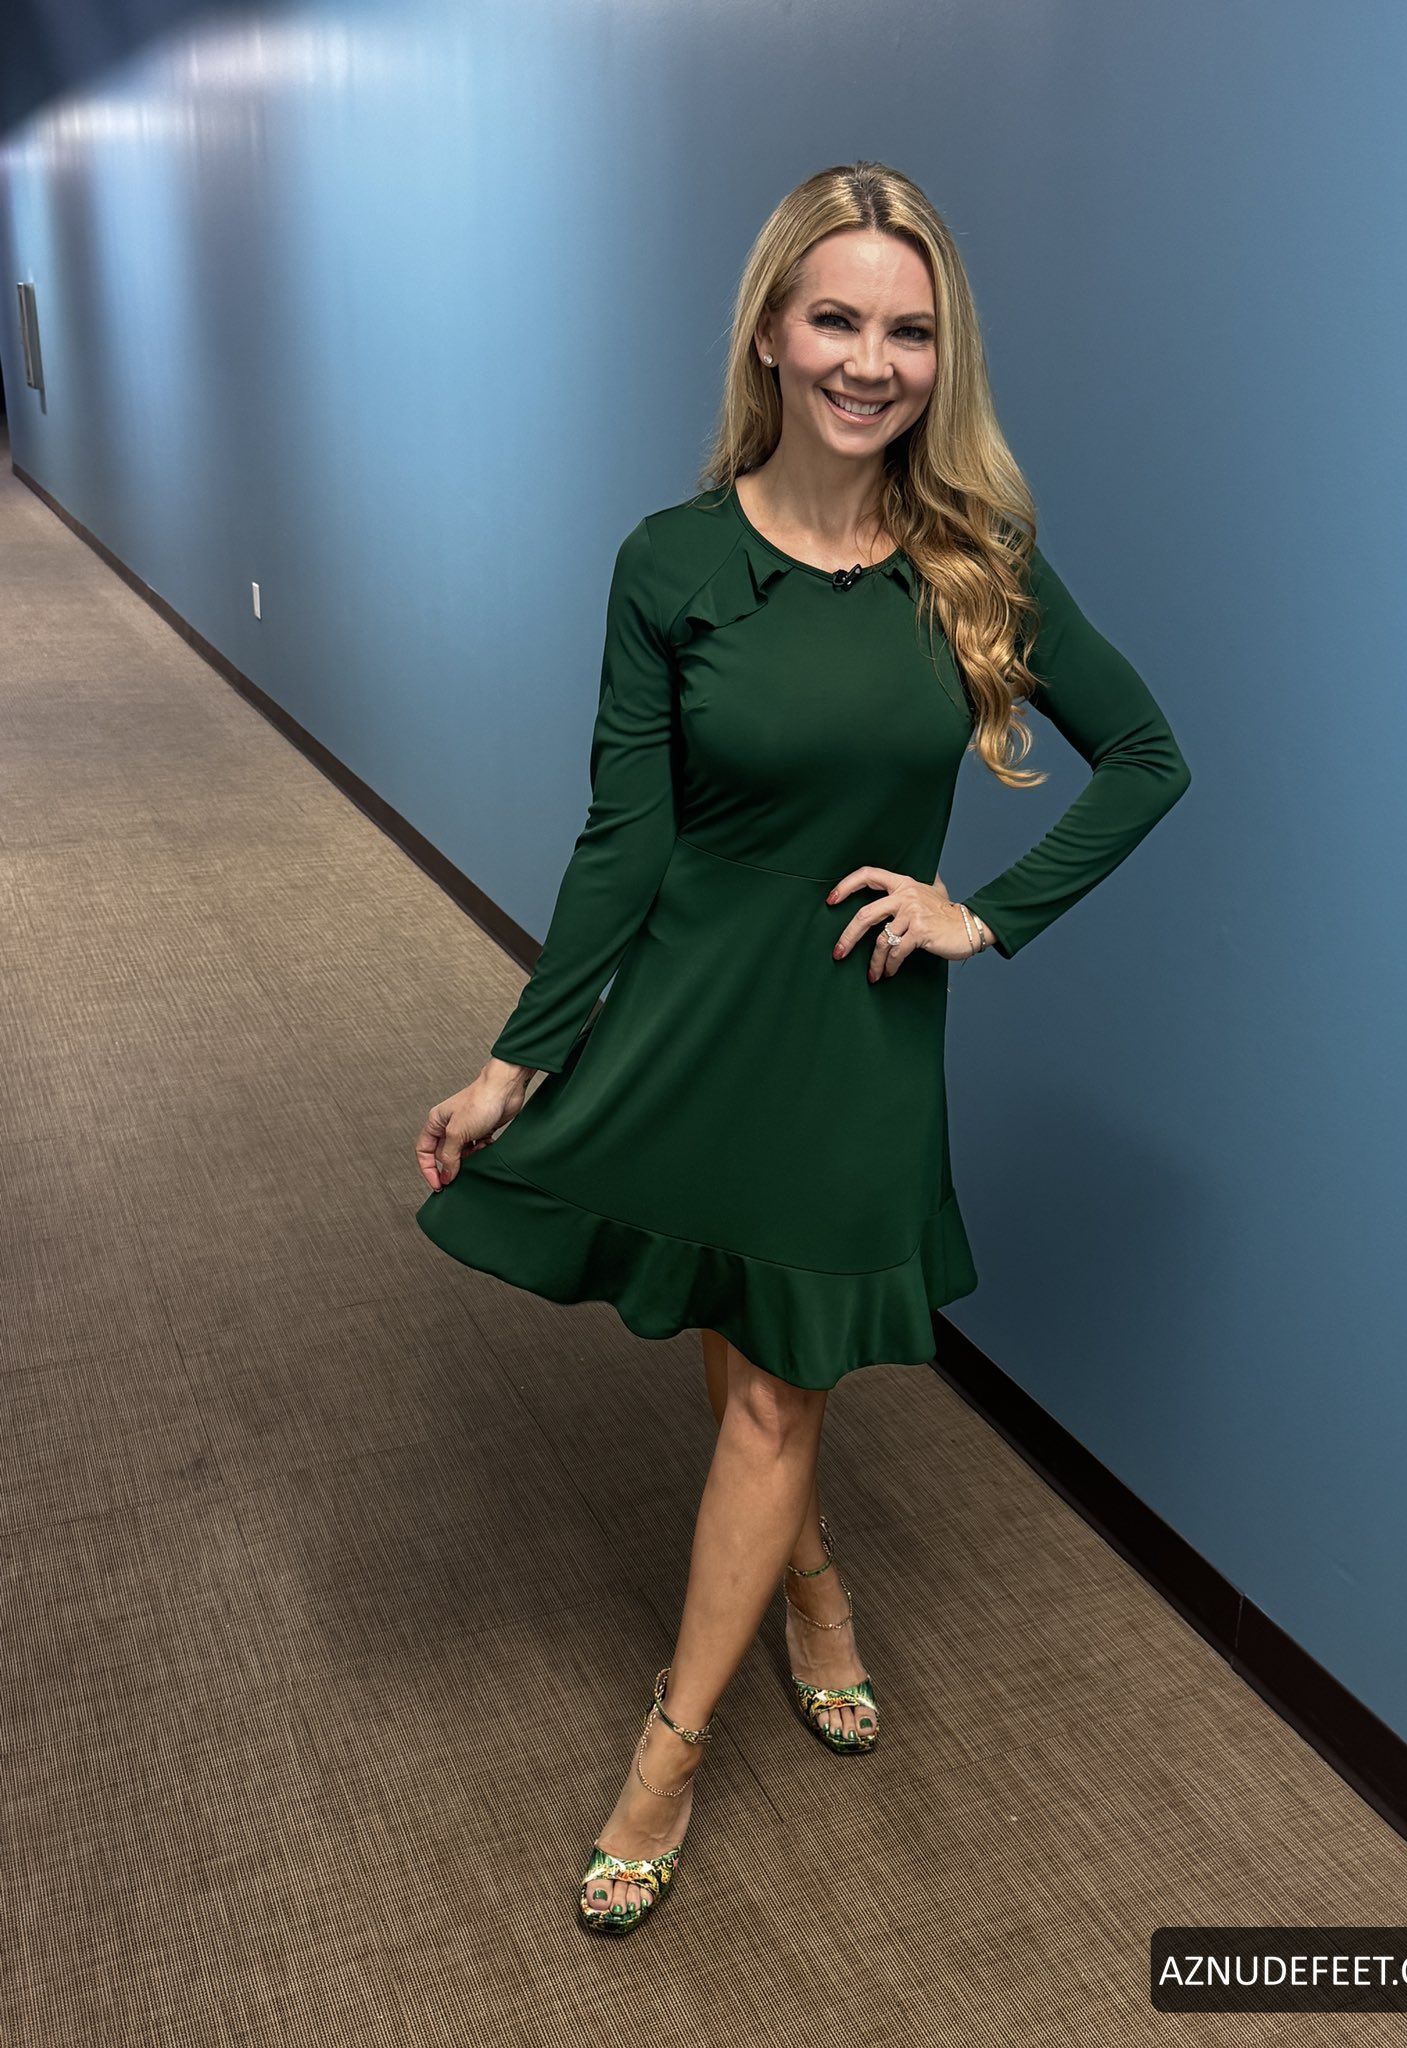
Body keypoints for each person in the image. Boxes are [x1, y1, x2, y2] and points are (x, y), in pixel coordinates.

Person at [413, 159, 1192, 1934]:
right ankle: (814, 1577)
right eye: (835, 317)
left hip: (854, 1033)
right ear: (770, 329)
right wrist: (518, 1059)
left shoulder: (975, 561)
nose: (870, 360)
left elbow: (1149, 756)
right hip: (695, 1011)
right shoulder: (671, 562)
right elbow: (625, 838)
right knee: (736, 1312)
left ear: (943, 355)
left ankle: (670, 1750)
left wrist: (983, 912)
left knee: (780, 1383)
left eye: (909, 331)